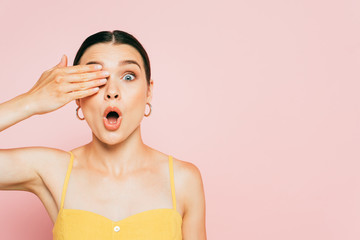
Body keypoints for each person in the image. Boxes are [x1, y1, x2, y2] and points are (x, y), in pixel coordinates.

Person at [0, 30, 206, 240]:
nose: (112, 91)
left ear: (148, 92)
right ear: (78, 97)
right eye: (96, 79)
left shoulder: (183, 179)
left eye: (128, 76)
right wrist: (31, 101)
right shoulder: (53, 171)